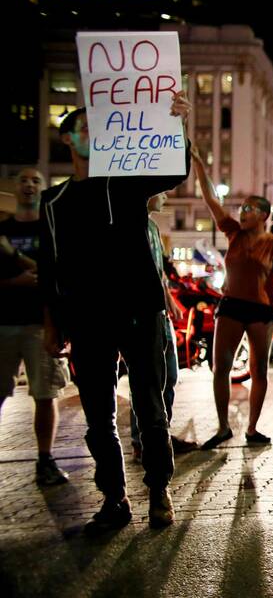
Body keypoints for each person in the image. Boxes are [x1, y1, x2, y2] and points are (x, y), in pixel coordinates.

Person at [38, 96, 192, 533]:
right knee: (97, 414)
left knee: (150, 404)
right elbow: (48, 268)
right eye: (81, 127)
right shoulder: (54, 201)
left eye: (96, 127)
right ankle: (114, 498)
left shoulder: (125, 185)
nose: (91, 133)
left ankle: (159, 489)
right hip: (87, 319)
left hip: (138, 311)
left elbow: (174, 171)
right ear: (66, 138)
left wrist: (178, 124)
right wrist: (52, 324)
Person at [192, 149, 273, 449]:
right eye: (242, 208)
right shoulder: (233, 233)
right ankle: (223, 427)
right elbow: (212, 201)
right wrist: (199, 163)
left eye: (250, 208)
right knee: (219, 367)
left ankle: (252, 428)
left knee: (259, 370)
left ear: (264, 215)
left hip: (262, 311)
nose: (243, 212)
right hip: (231, 307)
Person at [0, 168, 70, 486]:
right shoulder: (1, 229)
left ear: (43, 190)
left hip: (41, 324)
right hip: (4, 324)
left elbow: (61, 274)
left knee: (46, 394)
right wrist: (17, 281)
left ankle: (45, 460)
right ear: (14, 188)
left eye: (35, 181)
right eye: (23, 180)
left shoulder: (52, 229)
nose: (29, 184)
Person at [129, 192, 200, 462]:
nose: (167, 194)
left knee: (169, 375)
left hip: (161, 314)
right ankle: (143, 441)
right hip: (142, 315)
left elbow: (158, 271)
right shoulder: (131, 225)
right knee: (148, 380)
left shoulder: (153, 227)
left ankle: (160, 433)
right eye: (160, 191)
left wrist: (170, 300)